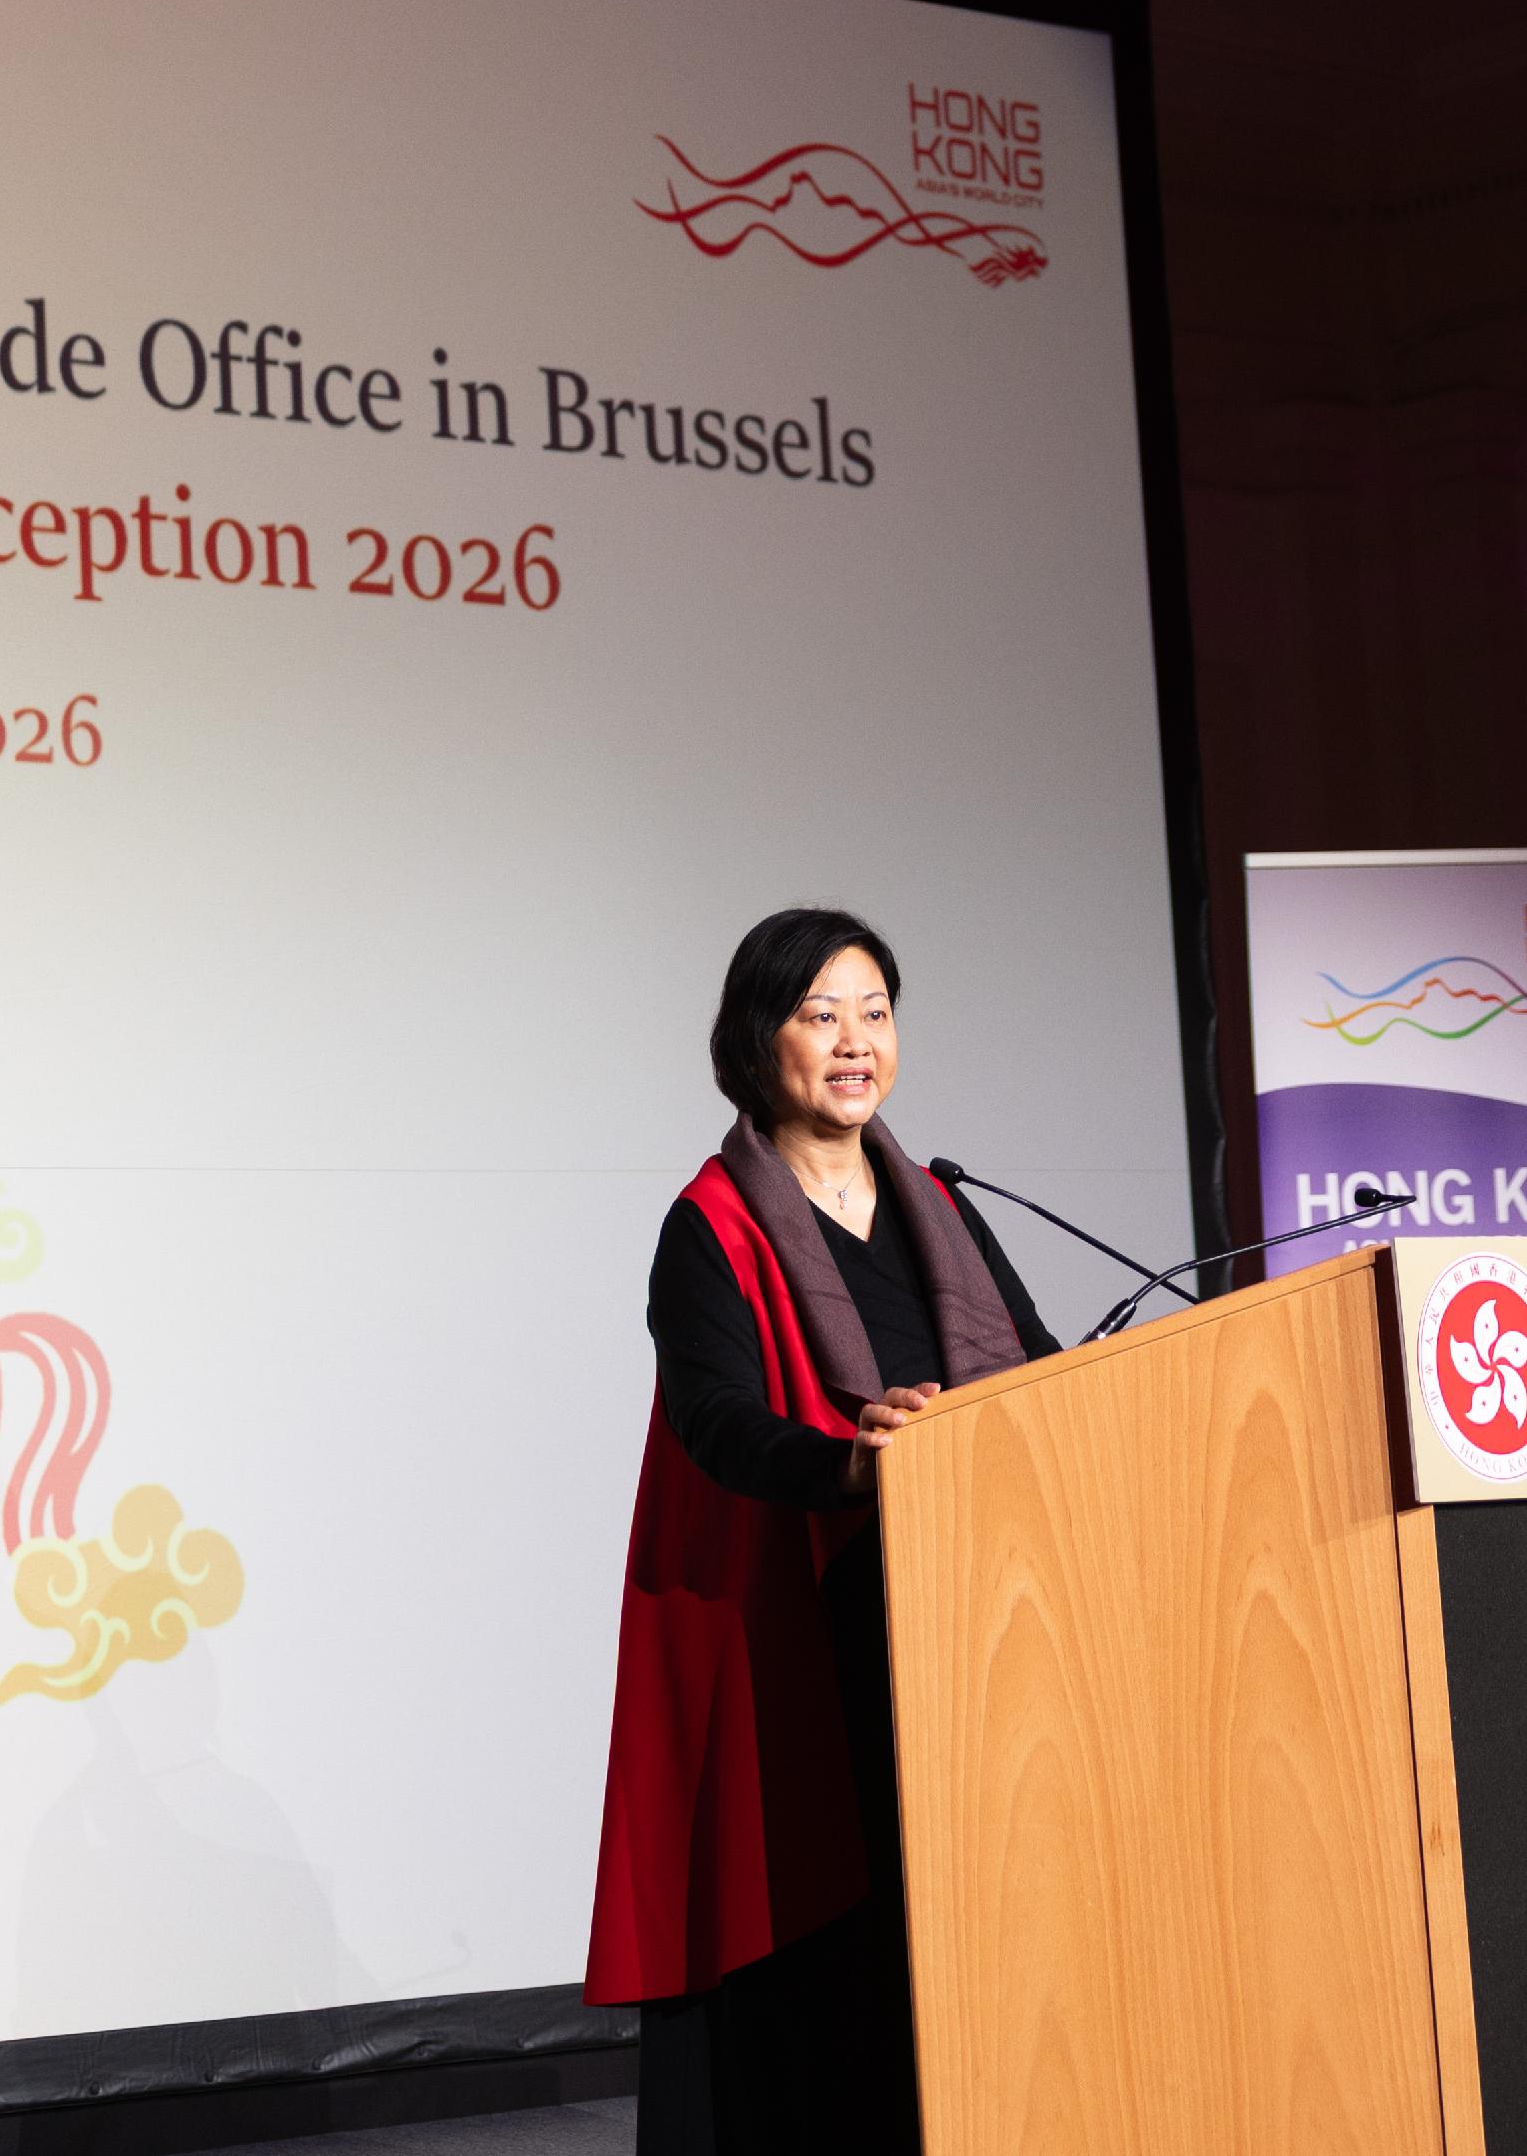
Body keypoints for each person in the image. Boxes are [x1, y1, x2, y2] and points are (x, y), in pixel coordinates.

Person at [587, 908, 1064, 2155]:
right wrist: (853, 1463)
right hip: (811, 1622)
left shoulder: (942, 1208)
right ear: (760, 1041)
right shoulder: (711, 1224)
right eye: (820, 1014)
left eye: (875, 1012)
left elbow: (1047, 1376)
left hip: (969, 1614)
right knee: (834, 1961)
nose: (855, 1043)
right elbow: (716, 1423)